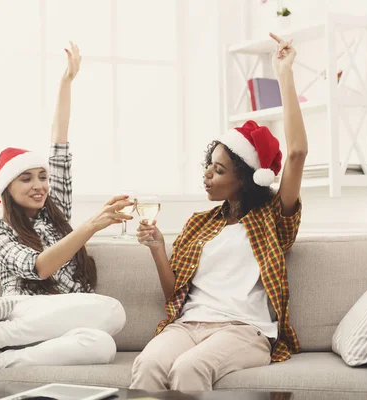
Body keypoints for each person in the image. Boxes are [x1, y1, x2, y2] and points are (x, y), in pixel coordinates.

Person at [0, 42, 131, 370]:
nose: (39, 185)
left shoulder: (55, 212)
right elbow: (38, 268)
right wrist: (91, 225)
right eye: (26, 179)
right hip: (25, 311)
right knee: (111, 311)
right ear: (7, 188)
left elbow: (60, 142)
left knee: (102, 346)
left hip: (63, 318)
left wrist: (66, 82)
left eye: (42, 177)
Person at [130, 32, 308, 391]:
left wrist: (284, 73)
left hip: (243, 331)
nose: (206, 175)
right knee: (147, 364)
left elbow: (297, 153)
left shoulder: (273, 217)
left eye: (219, 170)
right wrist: (158, 248)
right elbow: (173, 295)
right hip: (189, 324)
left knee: (188, 371)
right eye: (209, 165)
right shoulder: (199, 224)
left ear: (245, 179)